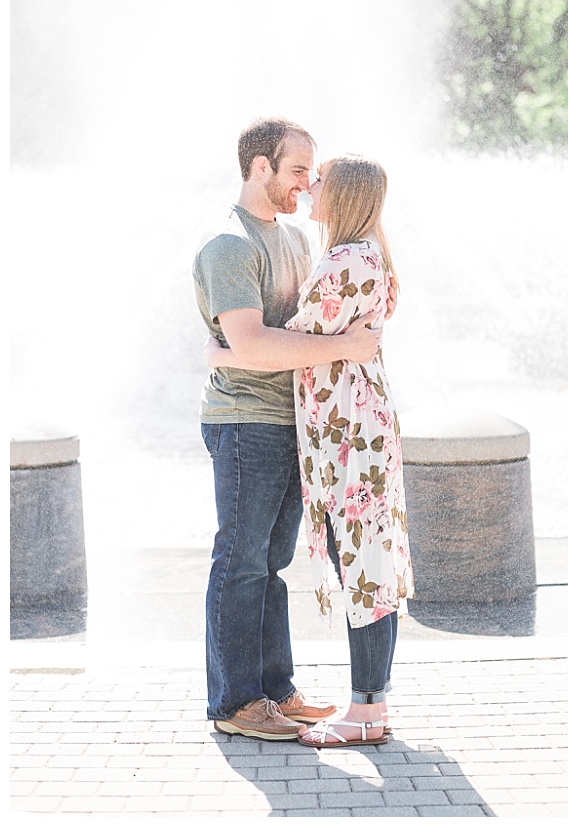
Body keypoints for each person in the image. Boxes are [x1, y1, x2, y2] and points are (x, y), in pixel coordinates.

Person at [208, 153, 414, 747]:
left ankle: (364, 713)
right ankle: (368, 710)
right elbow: (332, 341)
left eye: (319, 178)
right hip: (352, 423)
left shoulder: (350, 258)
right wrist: (346, 343)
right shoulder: (360, 253)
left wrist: (224, 354)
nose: (310, 185)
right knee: (368, 565)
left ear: (342, 194)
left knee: (364, 568)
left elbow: (297, 341)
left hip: (350, 427)